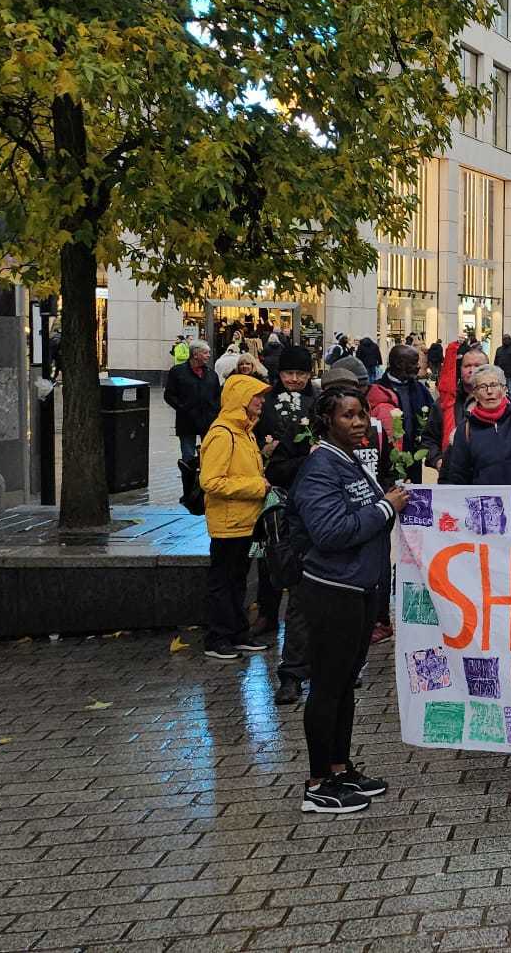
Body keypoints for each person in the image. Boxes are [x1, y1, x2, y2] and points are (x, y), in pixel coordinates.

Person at [290, 385, 407, 814]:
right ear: (327, 422)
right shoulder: (321, 468)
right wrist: (386, 508)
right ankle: (318, 782)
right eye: (348, 416)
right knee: (327, 687)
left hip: (358, 588)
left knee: (344, 685)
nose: (359, 423)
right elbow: (332, 532)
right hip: (332, 591)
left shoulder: (349, 461)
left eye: (361, 415)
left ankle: (340, 768)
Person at [200, 374, 275, 661]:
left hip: (244, 521)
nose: (261, 401)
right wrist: (257, 487)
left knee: (238, 580)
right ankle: (217, 637)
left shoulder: (244, 431)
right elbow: (212, 481)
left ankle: (236, 633)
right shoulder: (223, 434)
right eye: (256, 396)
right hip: (228, 523)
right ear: (240, 399)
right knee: (224, 581)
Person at [257, 345, 319, 673]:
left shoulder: (317, 401)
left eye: (300, 374)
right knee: (271, 552)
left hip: (305, 489)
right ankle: (266, 612)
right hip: (274, 487)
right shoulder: (266, 402)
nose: (294, 380)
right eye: (288, 374)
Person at [440, 363, 511, 486]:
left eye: (494, 385)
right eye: (483, 387)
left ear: (504, 390)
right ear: (475, 395)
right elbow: (457, 476)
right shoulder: (465, 430)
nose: (489, 391)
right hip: (487, 502)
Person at [366, 345, 438, 485]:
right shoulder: (377, 390)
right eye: (413, 362)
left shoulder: (420, 390)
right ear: (399, 363)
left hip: (414, 459)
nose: (418, 366)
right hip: (386, 461)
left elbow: (432, 419)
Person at [164, 341, 220, 464]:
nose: (209, 355)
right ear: (195, 354)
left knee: (209, 454)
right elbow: (169, 395)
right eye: (205, 353)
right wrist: (183, 408)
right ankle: (188, 480)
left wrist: (214, 411)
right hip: (187, 421)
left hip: (208, 421)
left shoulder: (211, 374)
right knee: (188, 455)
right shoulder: (177, 371)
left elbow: (217, 396)